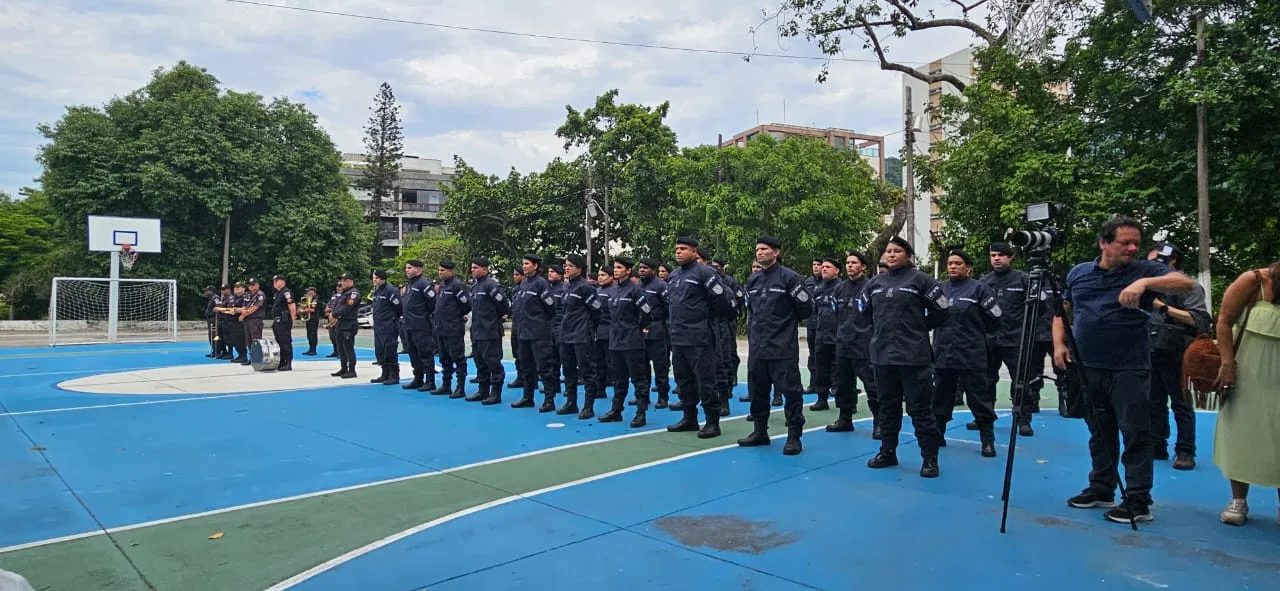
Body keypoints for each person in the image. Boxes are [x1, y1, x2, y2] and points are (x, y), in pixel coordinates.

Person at [1053, 215, 1194, 524]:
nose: (1132, 248)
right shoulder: (1079, 273)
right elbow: (1063, 310)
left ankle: (1138, 499)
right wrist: (1059, 345)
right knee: (1099, 432)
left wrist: (1144, 283)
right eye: (1124, 242)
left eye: (1136, 243)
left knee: (1135, 433)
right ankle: (1101, 487)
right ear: (1104, 243)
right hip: (1089, 365)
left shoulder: (1144, 270)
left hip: (1129, 366)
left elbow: (1186, 283)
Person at [861, 237, 950, 478]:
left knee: (920, 409)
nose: (891, 254)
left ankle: (929, 458)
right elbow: (864, 312)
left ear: (908, 256)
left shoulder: (921, 281)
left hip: (913, 357)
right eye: (888, 251)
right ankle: (888, 452)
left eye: (897, 251)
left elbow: (942, 310)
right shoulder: (874, 283)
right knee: (887, 408)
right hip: (883, 357)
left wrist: (920, 326)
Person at [1212, 259, 1280, 526]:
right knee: (1242, 432)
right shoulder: (1253, 281)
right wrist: (1227, 364)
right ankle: (1238, 500)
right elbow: (1224, 321)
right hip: (1248, 371)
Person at [738, 236, 813, 455]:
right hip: (758, 347)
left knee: (791, 392)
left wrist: (785, 326)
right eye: (757, 249)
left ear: (776, 252)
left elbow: (806, 307)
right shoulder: (754, 280)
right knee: (758, 392)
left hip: (782, 348)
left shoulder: (789, 278)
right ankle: (760, 431)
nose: (759, 252)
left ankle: (794, 436)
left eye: (764, 249)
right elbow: (751, 310)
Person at [1145, 242, 1211, 470]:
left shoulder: (1188, 286)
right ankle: (1156, 444)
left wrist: (1162, 307)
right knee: (1153, 401)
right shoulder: (1147, 284)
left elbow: (1199, 320)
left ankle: (1185, 450)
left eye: (1158, 261)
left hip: (1177, 350)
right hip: (1149, 348)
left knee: (1181, 402)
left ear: (1173, 261)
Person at [930, 251, 1001, 457]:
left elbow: (995, 317)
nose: (953, 267)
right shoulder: (940, 289)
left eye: (958, 263)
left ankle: (987, 439)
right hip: (944, 353)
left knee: (979, 398)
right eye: (950, 263)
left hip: (971, 353)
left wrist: (979, 335)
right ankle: (938, 433)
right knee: (941, 397)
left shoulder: (979, 289)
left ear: (967, 267)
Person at [665, 236, 736, 438]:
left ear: (695, 252)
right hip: (678, 337)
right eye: (677, 248)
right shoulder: (674, 275)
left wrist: (709, 319)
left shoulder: (705, 273)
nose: (678, 252)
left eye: (683, 248)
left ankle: (712, 421)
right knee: (683, 380)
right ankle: (690, 418)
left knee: (705, 381)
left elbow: (722, 300)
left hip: (700, 337)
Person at [600, 257, 652, 427]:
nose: (615, 270)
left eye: (619, 267)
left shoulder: (635, 290)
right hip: (615, 341)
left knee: (638, 379)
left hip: (632, 341)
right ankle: (616, 410)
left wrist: (639, 328)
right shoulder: (614, 291)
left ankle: (641, 413)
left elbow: (646, 312)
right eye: (615, 267)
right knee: (618, 378)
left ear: (628, 271)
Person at [511, 254, 559, 411]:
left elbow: (550, 308)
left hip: (538, 333)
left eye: (527, 264)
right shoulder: (524, 284)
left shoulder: (541, 284)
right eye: (523, 263)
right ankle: (528, 397)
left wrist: (539, 323)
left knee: (544, 366)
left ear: (535, 266)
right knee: (526, 366)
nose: (524, 266)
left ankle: (549, 399)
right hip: (523, 333)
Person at [556, 254, 600, 415]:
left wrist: (588, 328)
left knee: (587, 370)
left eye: (570, 265)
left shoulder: (586, 287)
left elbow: (596, 311)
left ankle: (588, 406)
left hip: (581, 335)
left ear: (579, 269)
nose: (566, 268)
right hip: (566, 334)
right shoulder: (566, 286)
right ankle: (571, 402)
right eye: (565, 265)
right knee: (568, 369)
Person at [467, 257, 509, 405]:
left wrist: (495, 319)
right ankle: (482, 390)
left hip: (490, 331)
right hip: (477, 331)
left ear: (485, 269)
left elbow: (503, 305)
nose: (472, 270)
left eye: (475, 268)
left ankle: (495, 393)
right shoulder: (475, 286)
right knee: (480, 363)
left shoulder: (491, 285)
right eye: (472, 268)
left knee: (493, 363)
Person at [432, 260, 471, 398]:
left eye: (442, 270)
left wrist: (456, 317)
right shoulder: (442, 286)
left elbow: (466, 305)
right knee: (444, 358)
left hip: (453, 328)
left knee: (458, 358)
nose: (440, 272)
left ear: (450, 271)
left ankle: (460, 387)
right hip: (441, 328)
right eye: (439, 270)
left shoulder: (457, 286)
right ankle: (446, 385)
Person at [400, 260, 438, 392]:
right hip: (409, 325)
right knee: (413, 354)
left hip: (421, 325)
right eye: (406, 268)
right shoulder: (410, 285)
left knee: (425, 354)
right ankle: (418, 379)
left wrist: (423, 316)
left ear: (419, 269)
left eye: (410, 268)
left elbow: (433, 303)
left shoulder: (424, 284)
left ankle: (430, 381)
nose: (407, 270)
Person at [368, 270, 402, 384]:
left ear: (382, 278)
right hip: (379, 326)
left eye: (377, 278)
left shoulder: (391, 290)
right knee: (380, 351)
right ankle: (384, 373)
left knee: (389, 350)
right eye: (373, 278)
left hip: (389, 325)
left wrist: (392, 319)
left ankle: (394, 375)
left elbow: (398, 307)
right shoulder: (377, 291)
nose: (374, 280)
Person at [329, 273, 362, 378]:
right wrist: (333, 313)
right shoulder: (344, 293)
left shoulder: (353, 293)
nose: (342, 283)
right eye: (342, 280)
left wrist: (335, 314)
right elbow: (337, 305)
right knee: (340, 347)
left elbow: (348, 307)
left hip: (349, 323)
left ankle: (352, 370)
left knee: (348, 347)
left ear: (350, 281)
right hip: (341, 323)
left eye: (344, 280)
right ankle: (343, 368)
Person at [269, 275, 296, 372]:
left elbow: (292, 307)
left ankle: (288, 363)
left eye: (276, 281)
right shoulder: (278, 293)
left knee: (285, 342)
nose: (274, 283)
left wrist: (291, 320)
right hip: (277, 321)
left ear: (282, 281)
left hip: (284, 321)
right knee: (279, 342)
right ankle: (282, 361)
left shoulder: (286, 292)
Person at [301, 287, 320, 356]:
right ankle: (310, 348)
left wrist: (302, 311)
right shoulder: (309, 299)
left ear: (313, 291)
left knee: (313, 334)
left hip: (313, 319)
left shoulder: (315, 299)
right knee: (309, 334)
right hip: (309, 319)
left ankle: (313, 350)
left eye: (308, 291)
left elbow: (312, 309)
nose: (307, 293)